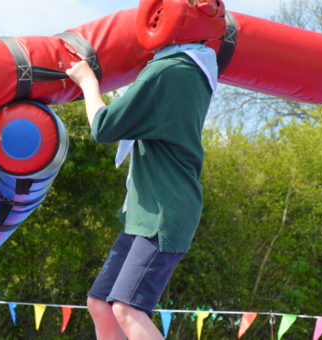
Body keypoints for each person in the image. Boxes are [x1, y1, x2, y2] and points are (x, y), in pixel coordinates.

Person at [65, 1, 224, 338]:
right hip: (151, 209)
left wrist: (87, 81)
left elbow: (103, 127)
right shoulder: (194, 67)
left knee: (127, 308)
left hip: (163, 211)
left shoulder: (168, 71)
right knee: (101, 304)